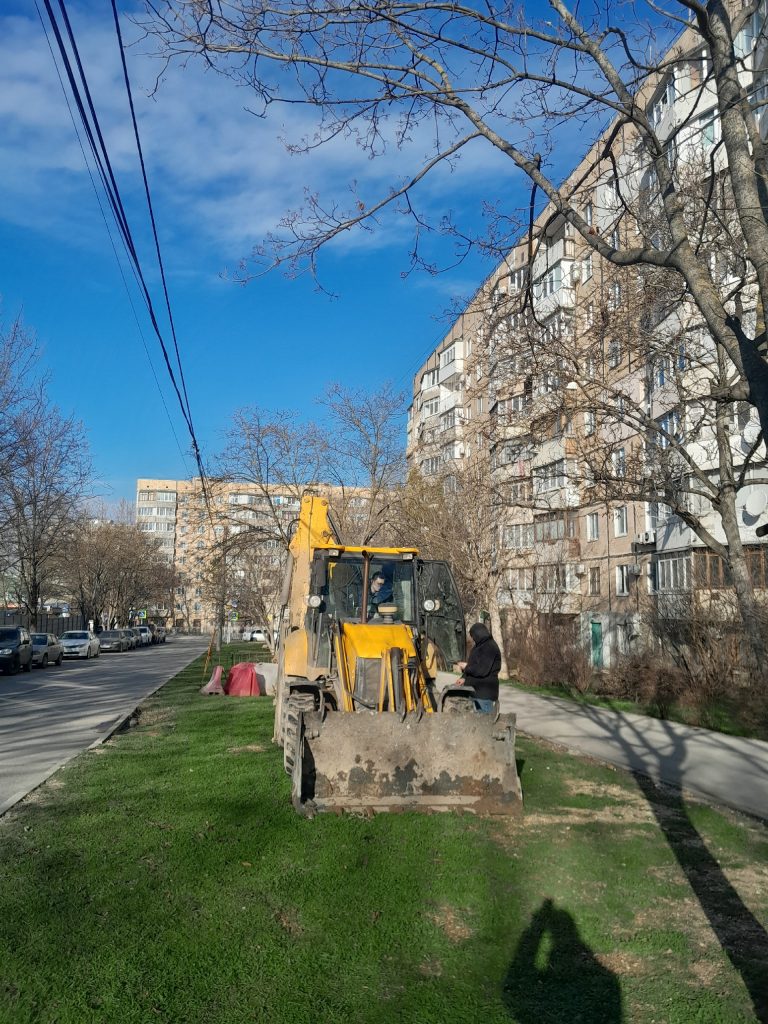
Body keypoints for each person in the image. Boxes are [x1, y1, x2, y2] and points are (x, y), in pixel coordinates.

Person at [456, 622, 501, 712]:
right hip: (474, 692)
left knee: (485, 719)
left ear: (478, 633)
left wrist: (466, 666)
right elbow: (473, 664)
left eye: (473, 636)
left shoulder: (490, 647)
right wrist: (464, 677)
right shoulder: (478, 646)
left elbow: (481, 670)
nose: (473, 638)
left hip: (484, 694)